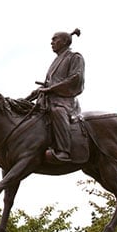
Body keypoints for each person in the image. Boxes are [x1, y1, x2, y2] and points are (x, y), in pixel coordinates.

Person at [26, 28, 84, 162]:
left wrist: (51, 89)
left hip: (65, 101)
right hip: (48, 99)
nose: (51, 42)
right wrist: (27, 98)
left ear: (64, 41)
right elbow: (46, 85)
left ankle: (64, 150)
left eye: (55, 39)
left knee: (57, 111)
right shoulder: (56, 61)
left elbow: (76, 78)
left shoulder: (75, 57)